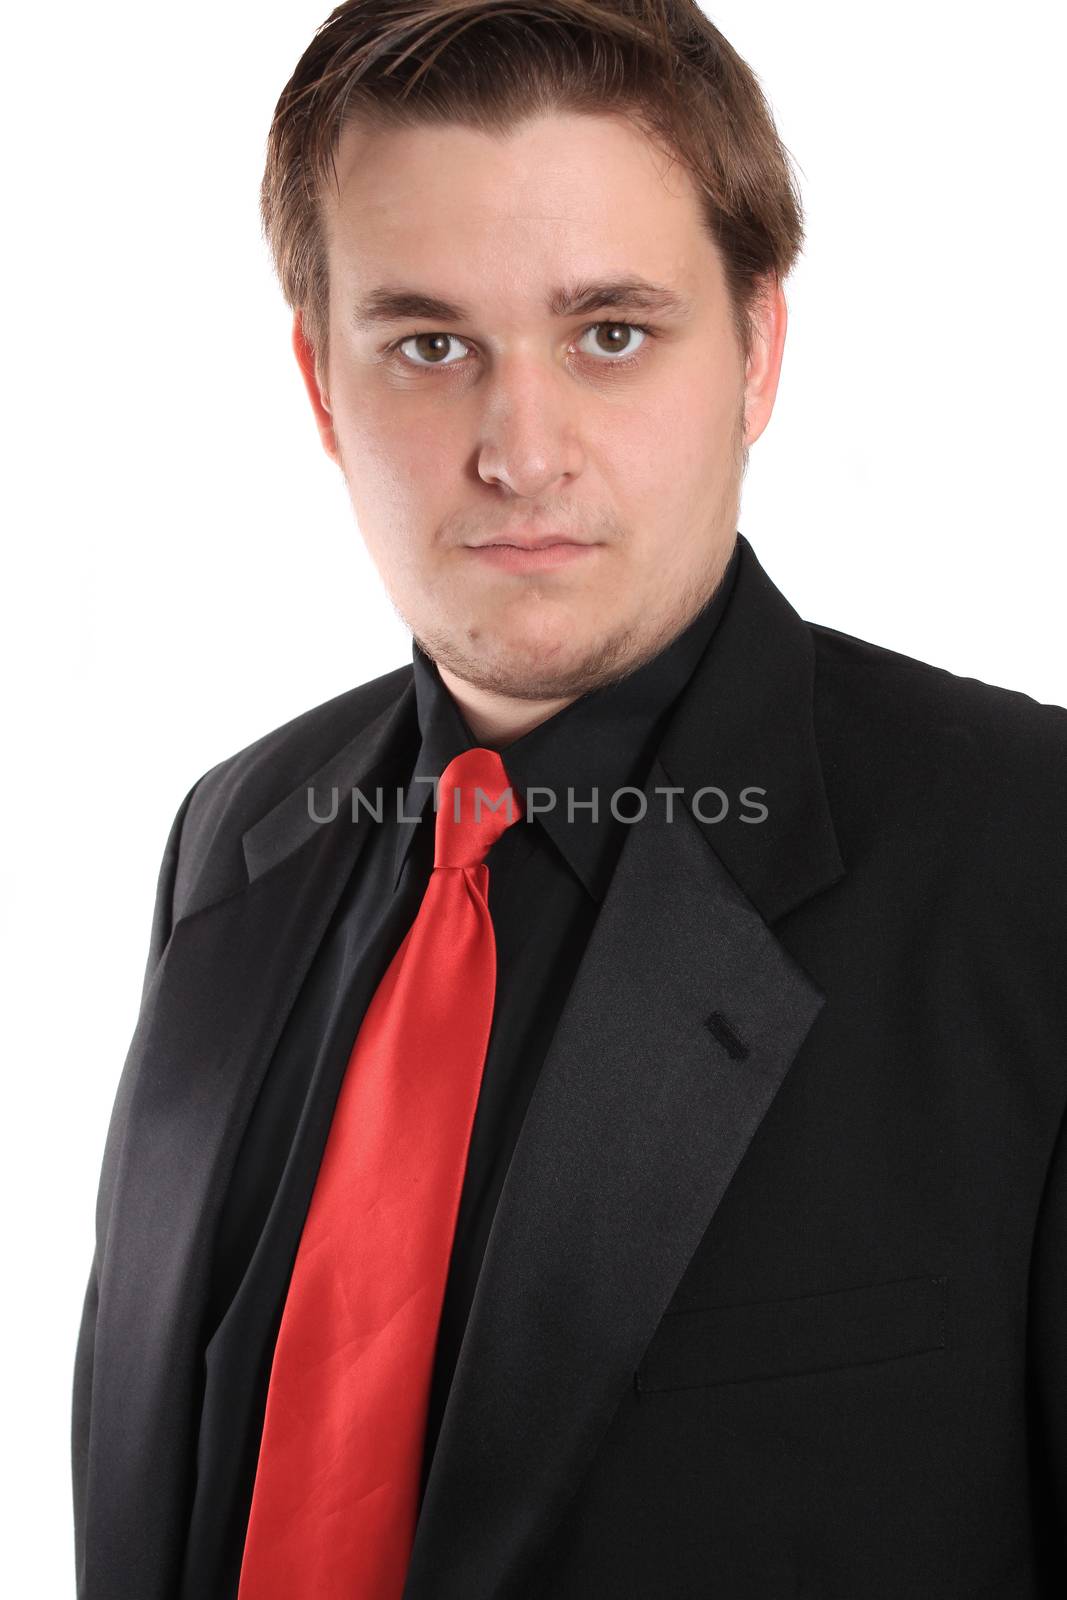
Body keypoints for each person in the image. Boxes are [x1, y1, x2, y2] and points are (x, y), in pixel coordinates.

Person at [71, 3, 1067, 1596]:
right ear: (324, 389)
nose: (520, 453)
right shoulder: (230, 840)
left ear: (758, 355)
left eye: (610, 332)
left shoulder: (1033, 861)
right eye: (428, 344)